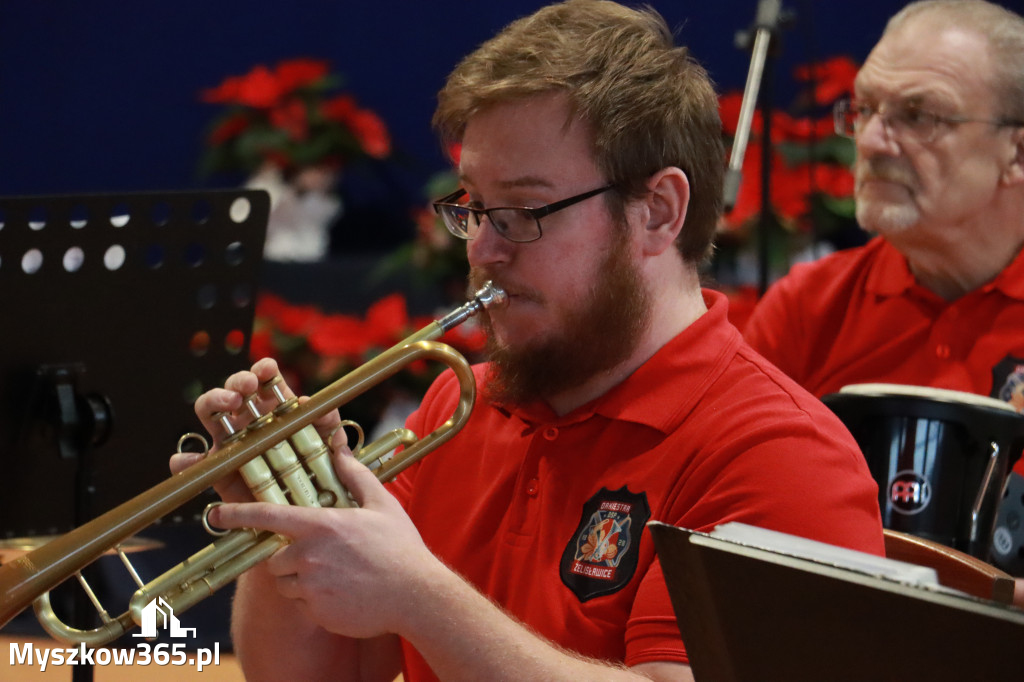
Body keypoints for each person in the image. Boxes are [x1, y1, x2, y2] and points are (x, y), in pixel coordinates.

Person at [173, 2, 884, 679]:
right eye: (473, 206)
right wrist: (291, 523)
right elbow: (314, 676)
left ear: (659, 212)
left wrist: (422, 597)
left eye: (519, 210)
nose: (481, 248)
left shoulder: (781, 456)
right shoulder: (462, 401)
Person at [742, 0, 1024, 603]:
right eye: (866, 108)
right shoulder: (807, 307)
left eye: (918, 115)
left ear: (1017, 153)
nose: (869, 141)